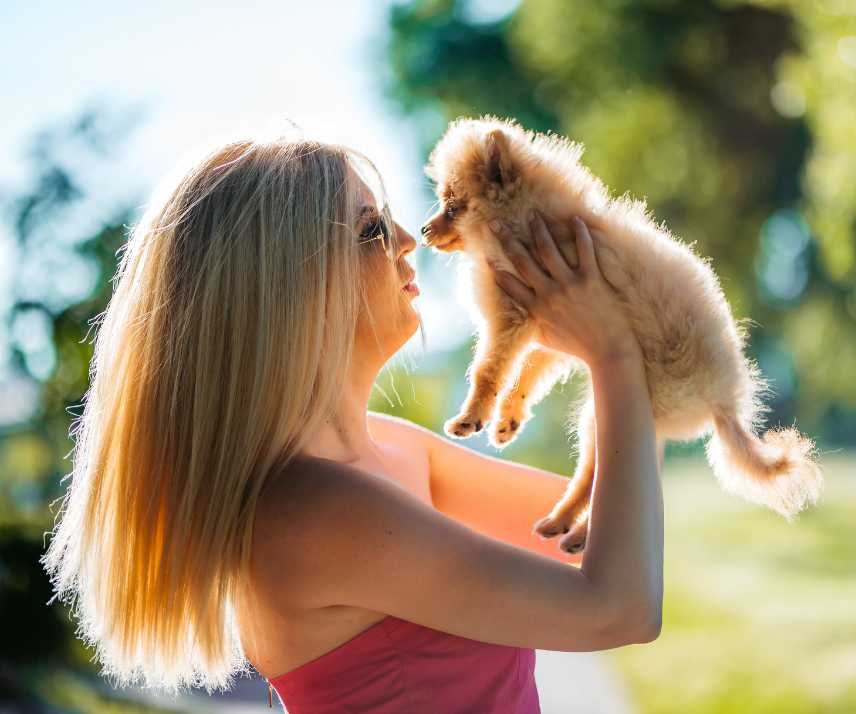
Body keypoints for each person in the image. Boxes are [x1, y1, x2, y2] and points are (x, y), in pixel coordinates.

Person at [40, 134, 664, 712]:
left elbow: (603, 528)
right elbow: (619, 610)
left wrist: (608, 318)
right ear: (289, 290)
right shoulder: (316, 508)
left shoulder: (380, 449)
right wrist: (613, 355)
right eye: (369, 229)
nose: (407, 238)